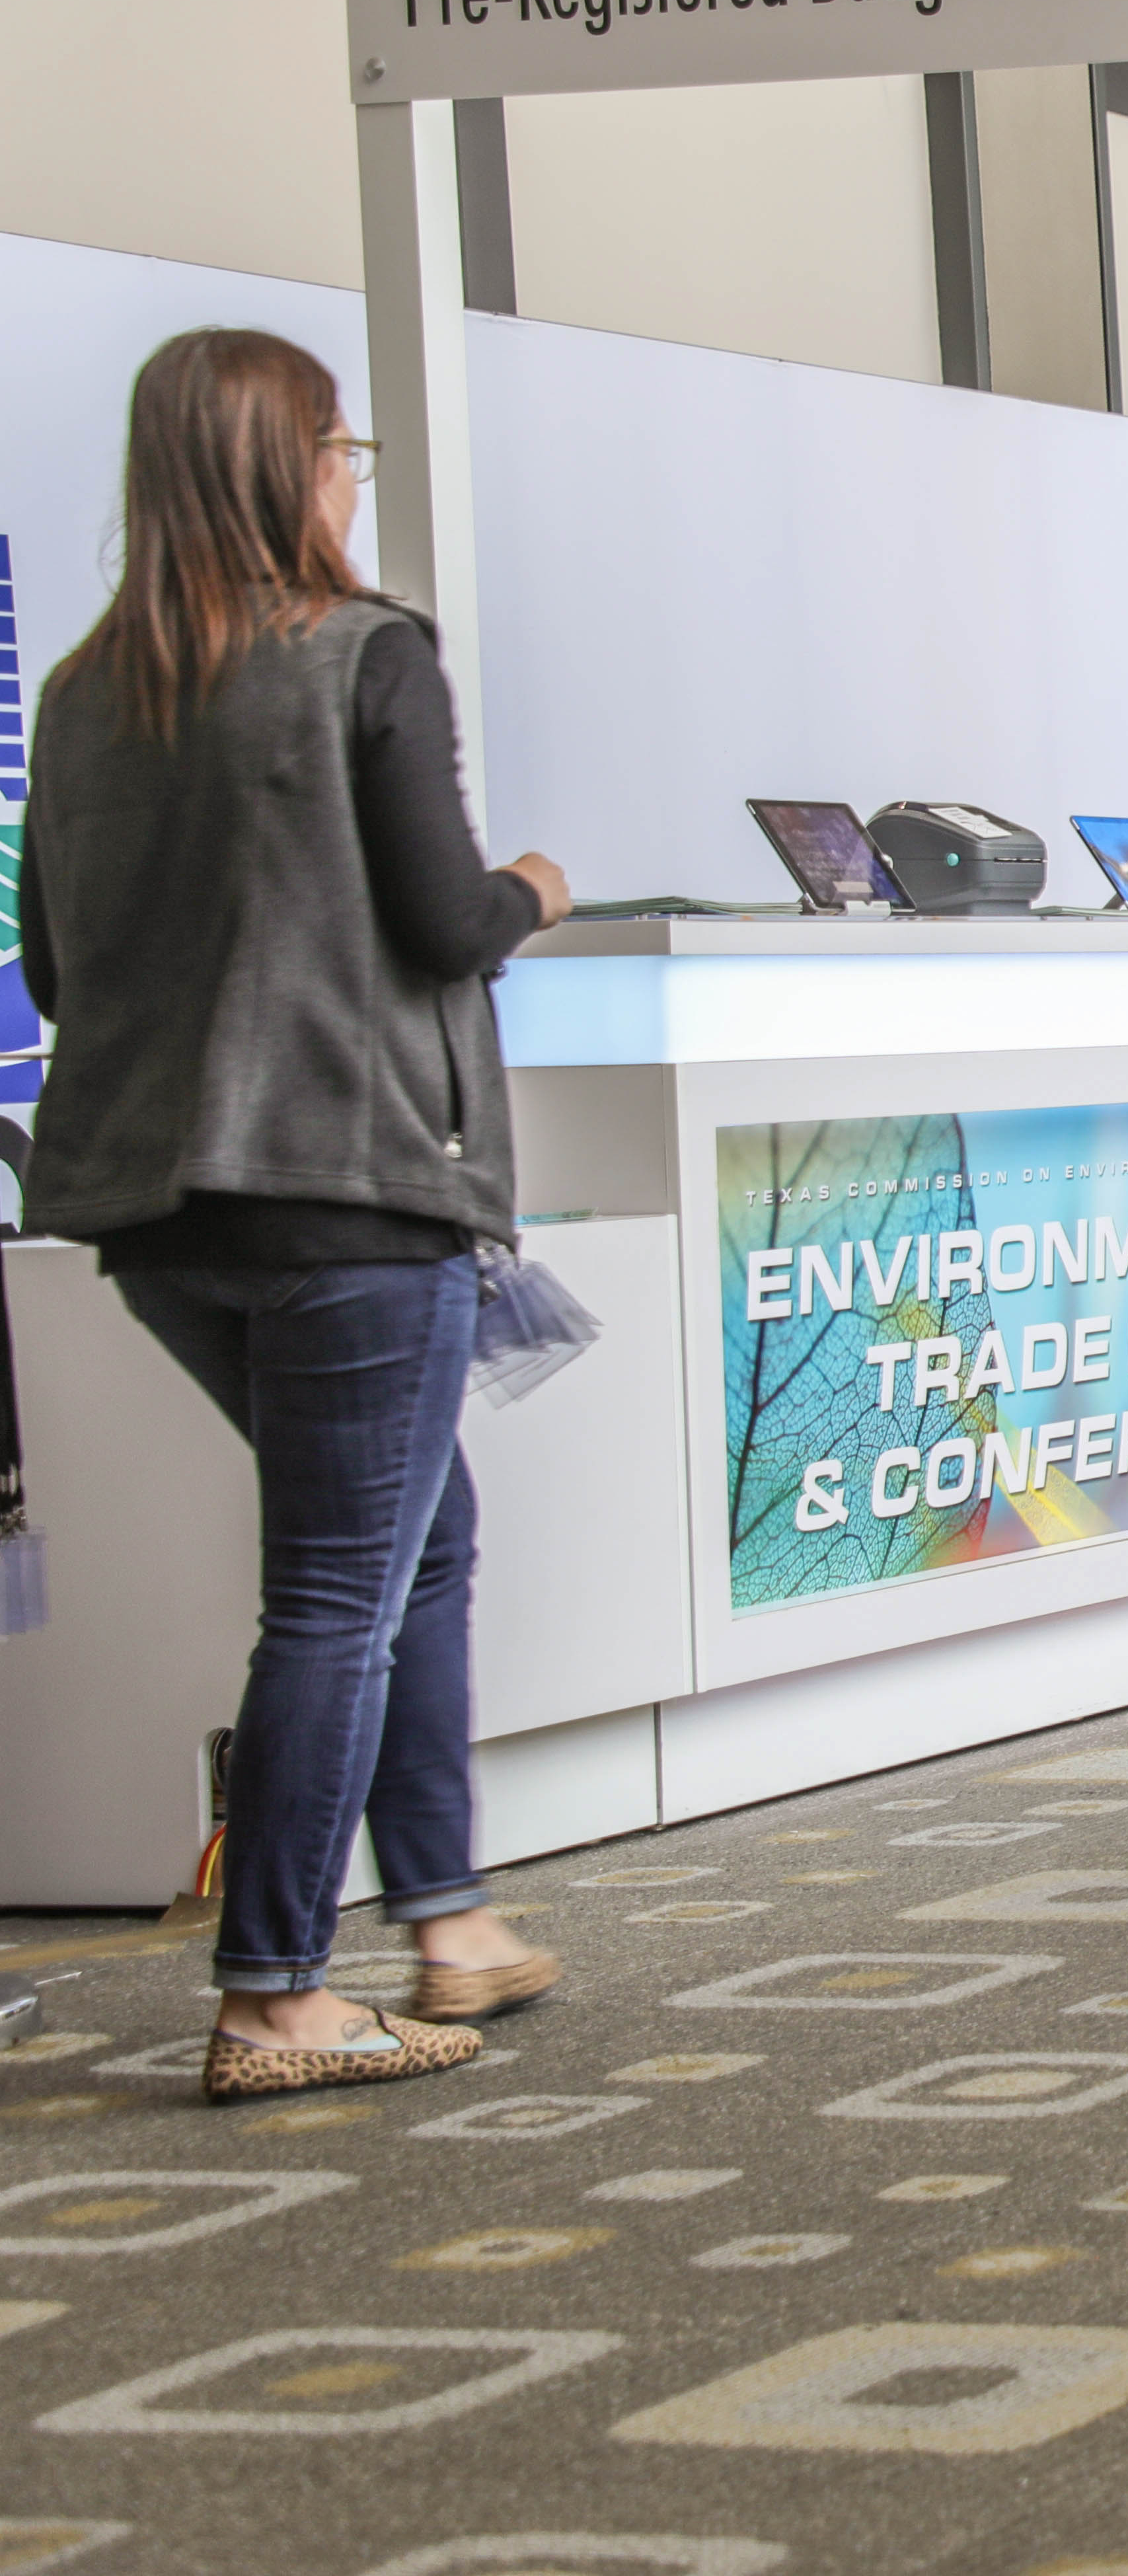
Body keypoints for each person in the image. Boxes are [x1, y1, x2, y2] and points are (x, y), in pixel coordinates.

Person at [17, 328, 574, 2102]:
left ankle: (452, 1917)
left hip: (159, 1217)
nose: (354, 475)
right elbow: (443, 922)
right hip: (350, 1189)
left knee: (422, 1536)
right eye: (345, 447)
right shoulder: (364, 656)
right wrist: (538, 890)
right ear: (296, 464)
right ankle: (272, 1991)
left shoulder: (90, 692)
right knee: (338, 1586)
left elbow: (45, 962)